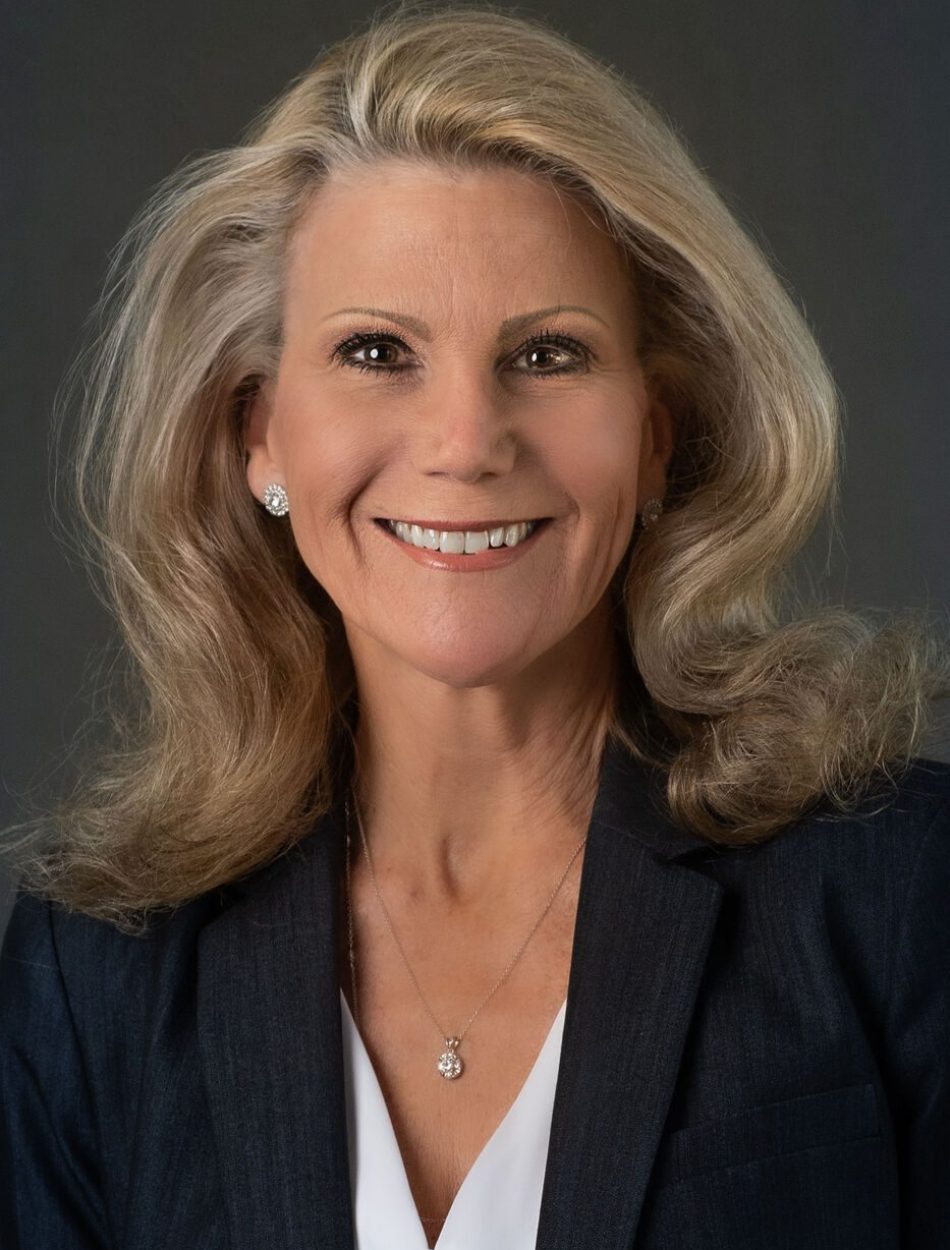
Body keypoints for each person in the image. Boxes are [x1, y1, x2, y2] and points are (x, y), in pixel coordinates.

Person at [1, 2, 948, 1247]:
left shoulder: (897, 889)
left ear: (656, 432)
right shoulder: (96, 971)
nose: (463, 444)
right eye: (376, 349)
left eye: (547, 355)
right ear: (257, 432)